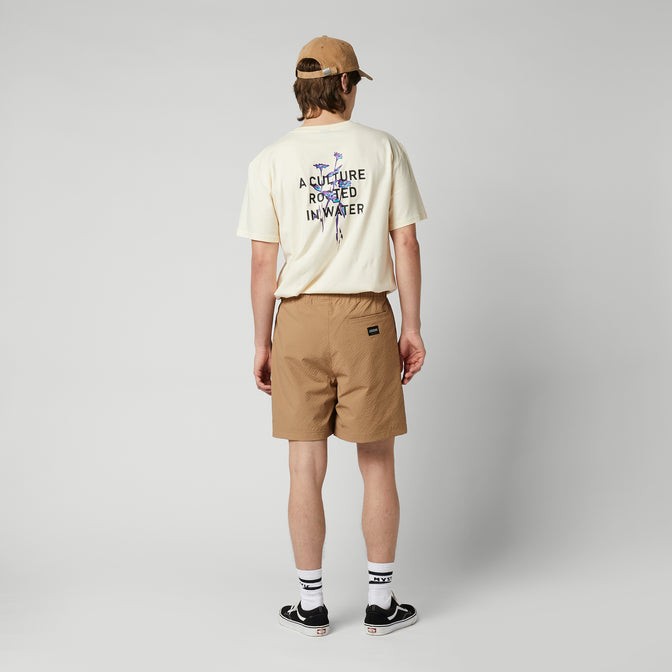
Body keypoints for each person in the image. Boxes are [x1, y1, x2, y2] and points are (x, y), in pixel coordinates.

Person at [237, 35, 427, 637]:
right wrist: (412, 326)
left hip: (296, 321)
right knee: (377, 462)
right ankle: (380, 604)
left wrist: (263, 343)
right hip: (365, 318)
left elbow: (263, 263)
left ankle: (312, 606)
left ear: (303, 88)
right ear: (345, 84)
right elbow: (405, 243)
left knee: (303, 466)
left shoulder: (270, 160)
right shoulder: (384, 148)